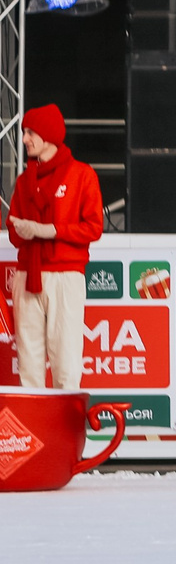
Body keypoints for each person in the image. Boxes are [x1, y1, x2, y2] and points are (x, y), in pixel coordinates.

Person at [6, 104, 103, 389]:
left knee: (67, 359)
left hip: (65, 276)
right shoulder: (24, 181)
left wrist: (50, 231)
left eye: (30, 132)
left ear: (49, 135)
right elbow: (14, 232)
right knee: (29, 359)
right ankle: (35, 428)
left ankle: (64, 429)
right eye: (24, 132)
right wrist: (23, 230)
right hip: (27, 275)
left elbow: (93, 227)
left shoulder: (82, 175)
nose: (24, 139)